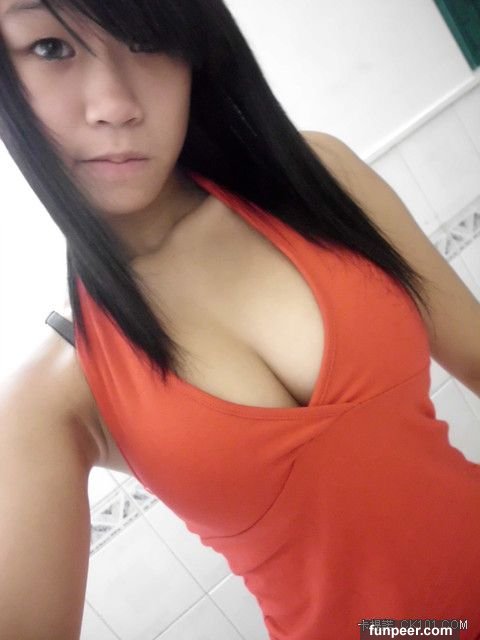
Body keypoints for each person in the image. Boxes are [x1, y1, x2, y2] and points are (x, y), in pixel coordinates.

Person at [0, 1, 479, 639]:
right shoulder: (51, 395)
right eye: (51, 48)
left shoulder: (319, 179)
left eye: (145, 40)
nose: (115, 104)